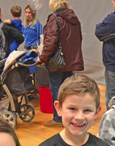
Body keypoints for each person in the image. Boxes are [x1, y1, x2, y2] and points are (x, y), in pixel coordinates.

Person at [38, 0, 84, 128]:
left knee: (57, 90)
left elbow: (50, 42)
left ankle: (58, 118)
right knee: (69, 91)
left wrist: (42, 58)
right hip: (70, 62)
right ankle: (71, 116)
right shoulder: (74, 18)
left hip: (57, 63)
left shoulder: (55, 19)